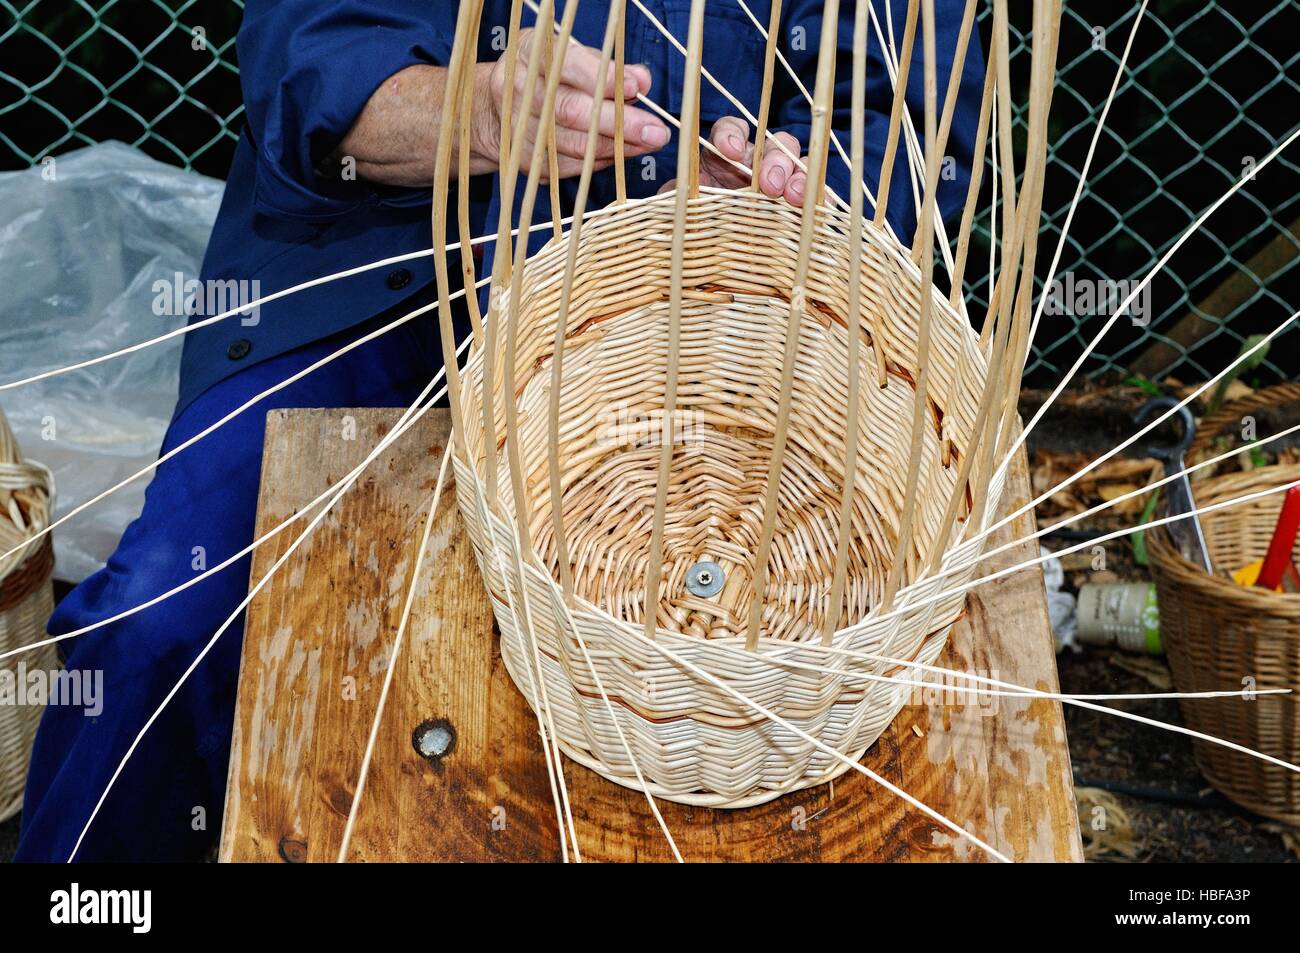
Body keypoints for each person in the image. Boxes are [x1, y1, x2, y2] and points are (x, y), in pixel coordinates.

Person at [17, 0, 983, 861]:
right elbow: (314, 57)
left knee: (750, 671)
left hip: (703, 309)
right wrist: (477, 112)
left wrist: (783, 195)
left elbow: (907, 129)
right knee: (161, 622)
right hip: (382, 267)